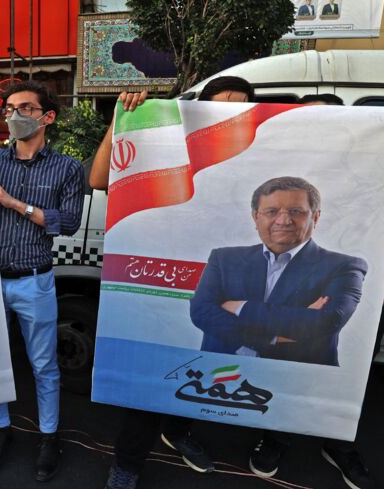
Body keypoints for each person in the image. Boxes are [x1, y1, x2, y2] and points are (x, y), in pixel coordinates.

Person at [243, 94, 384, 489]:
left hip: (370, 298)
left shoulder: (380, 167)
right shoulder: (277, 171)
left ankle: (337, 441)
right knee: (282, 368)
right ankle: (276, 435)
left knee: (348, 375)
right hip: (283, 297)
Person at [91, 76, 255, 489]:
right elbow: (98, 179)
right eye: (218, 109)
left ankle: (178, 432)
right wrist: (123, 120)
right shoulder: (168, 148)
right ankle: (126, 464)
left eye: (238, 109)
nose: (227, 117)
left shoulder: (255, 160)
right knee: (152, 378)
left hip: (220, 286)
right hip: (163, 285)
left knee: (202, 366)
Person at [0, 80, 84, 482]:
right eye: (10, 107)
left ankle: (49, 437)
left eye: (26, 108)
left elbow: (67, 222)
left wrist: (15, 203)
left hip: (35, 281)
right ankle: (0, 430)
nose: (14, 115)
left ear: (48, 117)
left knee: (43, 364)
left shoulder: (67, 168)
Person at [190, 176, 368, 366]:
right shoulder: (223, 259)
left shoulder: (345, 267)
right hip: (218, 373)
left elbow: (326, 322)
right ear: (255, 216)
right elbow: (202, 313)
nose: (283, 220)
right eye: (272, 211)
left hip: (298, 379)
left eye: (296, 211)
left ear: (315, 217)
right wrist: (272, 337)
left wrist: (240, 307)